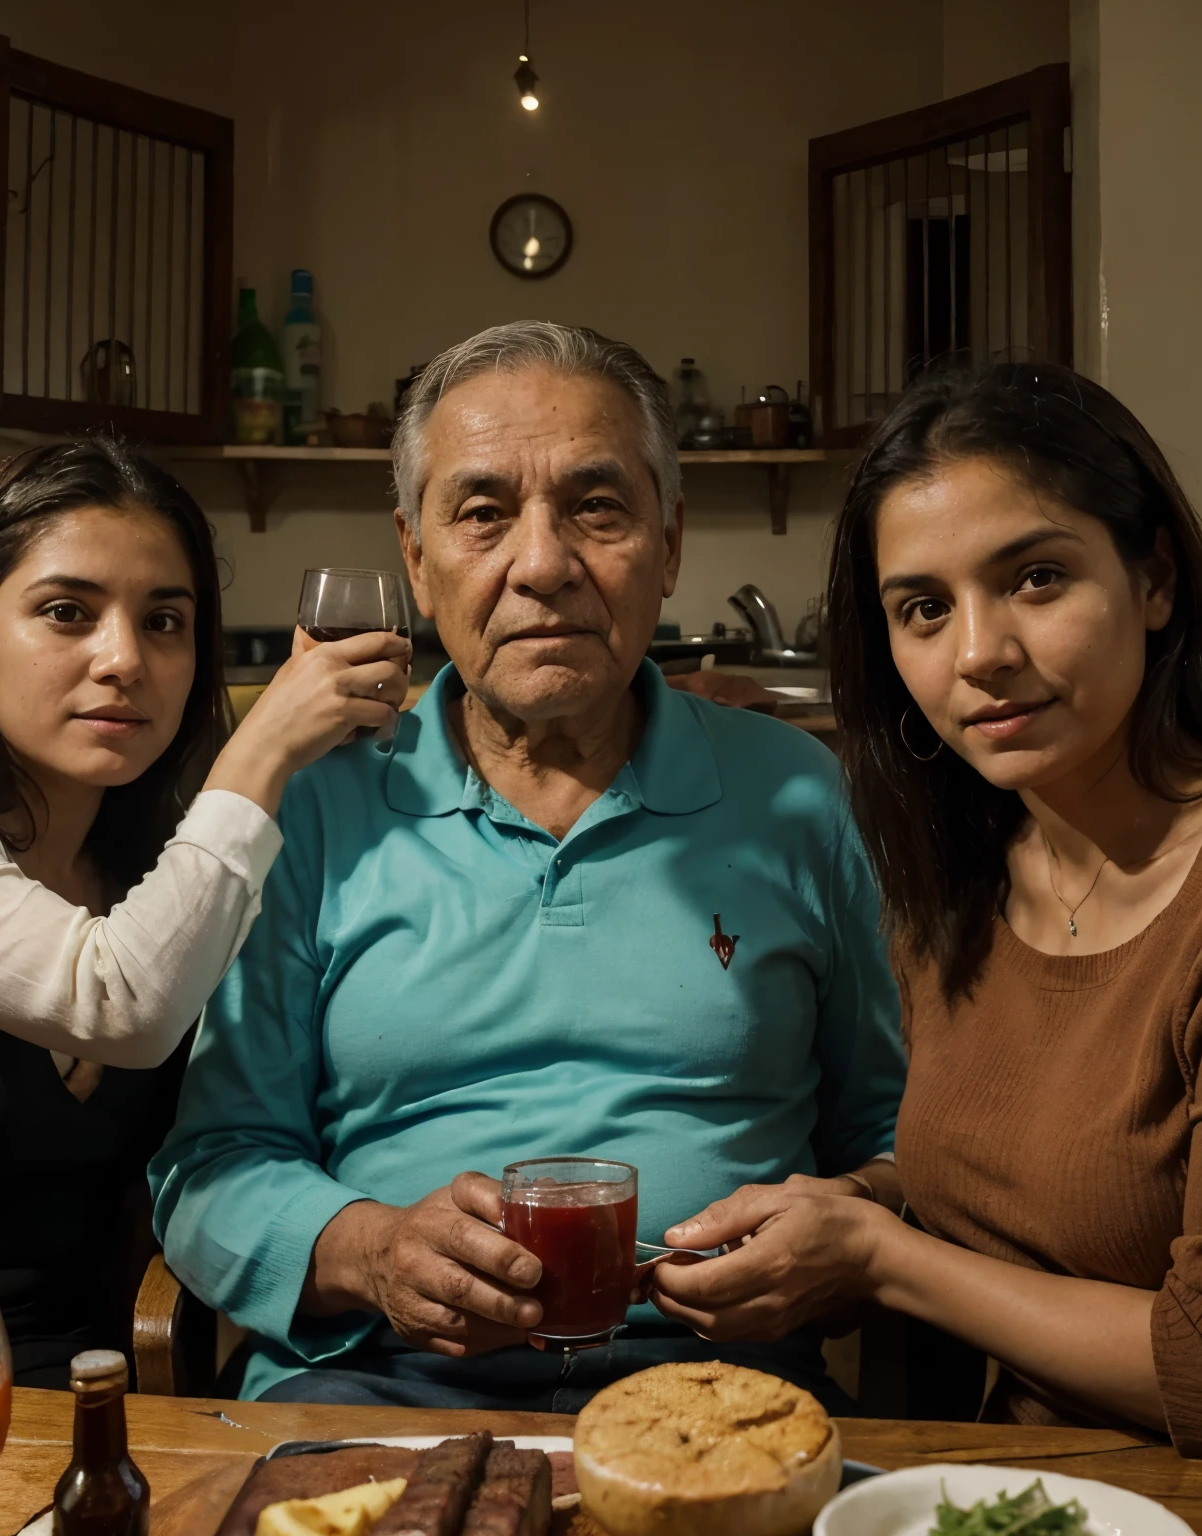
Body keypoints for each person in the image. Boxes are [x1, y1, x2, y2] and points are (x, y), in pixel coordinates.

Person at [149, 321, 906, 1411]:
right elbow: (210, 1168)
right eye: (484, 513)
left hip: (718, 1394)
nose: (543, 564)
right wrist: (368, 1251)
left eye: (597, 508)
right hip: (373, 1387)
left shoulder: (797, 793)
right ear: (415, 558)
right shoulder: (313, 805)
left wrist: (845, 1231)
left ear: (670, 541)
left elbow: (893, 1140)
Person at [649, 362, 1202, 1456]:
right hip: (998, 1485)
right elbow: (1010, 1190)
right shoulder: (964, 861)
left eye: (1034, 579)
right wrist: (845, 1210)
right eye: (922, 608)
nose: (980, 654)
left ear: (1153, 578)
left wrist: (879, 1256)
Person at [0, 439, 409, 1385]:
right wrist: (260, 752)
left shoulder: (163, 857)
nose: (124, 660)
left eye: (165, 621)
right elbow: (120, 1003)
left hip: (99, 1396)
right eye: (66, 613)